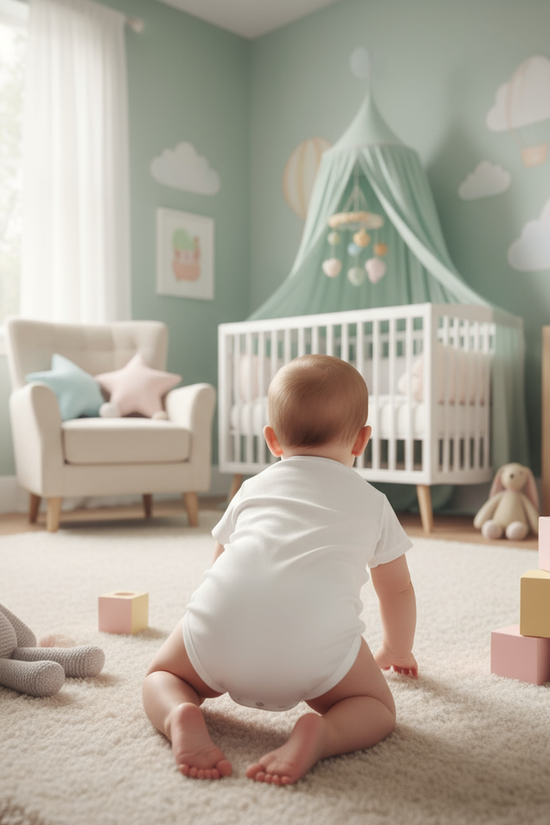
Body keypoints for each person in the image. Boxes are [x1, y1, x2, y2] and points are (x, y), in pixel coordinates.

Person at [142, 354, 418, 785]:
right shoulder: (373, 503)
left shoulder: (252, 487)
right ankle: (322, 733)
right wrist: (396, 651)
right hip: (314, 650)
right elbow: (397, 591)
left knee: (161, 675)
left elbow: (220, 565)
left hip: (219, 628)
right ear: (362, 440)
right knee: (378, 709)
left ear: (272, 440)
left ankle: (179, 713)